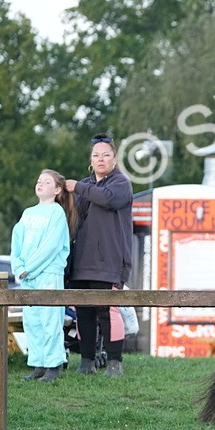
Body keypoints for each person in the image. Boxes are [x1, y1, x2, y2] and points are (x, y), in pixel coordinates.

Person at [65, 134, 134, 377]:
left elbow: (108, 199)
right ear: (90, 160)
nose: (100, 159)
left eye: (106, 155)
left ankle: (115, 362)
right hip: (81, 261)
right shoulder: (84, 186)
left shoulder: (121, 184)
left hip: (110, 261)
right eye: (96, 155)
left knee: (108, 311)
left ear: (114, 159)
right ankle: (87, 362)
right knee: (84, 312)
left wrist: (78, 187)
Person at [11, 170, 74, 381]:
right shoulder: (28, 213)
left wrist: (29, 267)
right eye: (39, 181)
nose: (40, 184)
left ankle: (53, 365)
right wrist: (18, 267)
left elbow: (51, 246)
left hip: (48, 274)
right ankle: (38, 363)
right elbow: (16, 243)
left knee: (50, 320)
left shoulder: (57, 213)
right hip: (27, 277)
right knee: (32, 321)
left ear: (57, 190)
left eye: (46, 182)